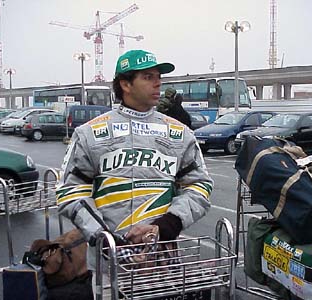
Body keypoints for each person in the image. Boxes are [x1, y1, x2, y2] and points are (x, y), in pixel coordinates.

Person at [56, 49, 213, 297]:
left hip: (163, 259)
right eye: (148, 76)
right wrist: (104, 238)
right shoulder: (89, 133)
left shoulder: (179, 133)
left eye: (158, 76)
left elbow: (200, 186)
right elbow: (70, 191)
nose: (158, 82)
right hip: (109, 264)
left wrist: (168, 224)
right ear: (125, 84)